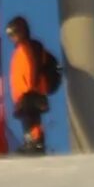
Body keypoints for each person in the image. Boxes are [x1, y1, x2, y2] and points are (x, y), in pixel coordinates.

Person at [7, 17, 62, 155]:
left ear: (21, 31)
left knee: (31, 118)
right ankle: (31, 142)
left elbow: (34, 66)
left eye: (13, 33)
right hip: (24, 92)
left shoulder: (31, 46)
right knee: (27, 118)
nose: (12, 38)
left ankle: (36, 143)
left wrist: (33, 86)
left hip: (32, 91)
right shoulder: (20, 50)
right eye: (10, 35)